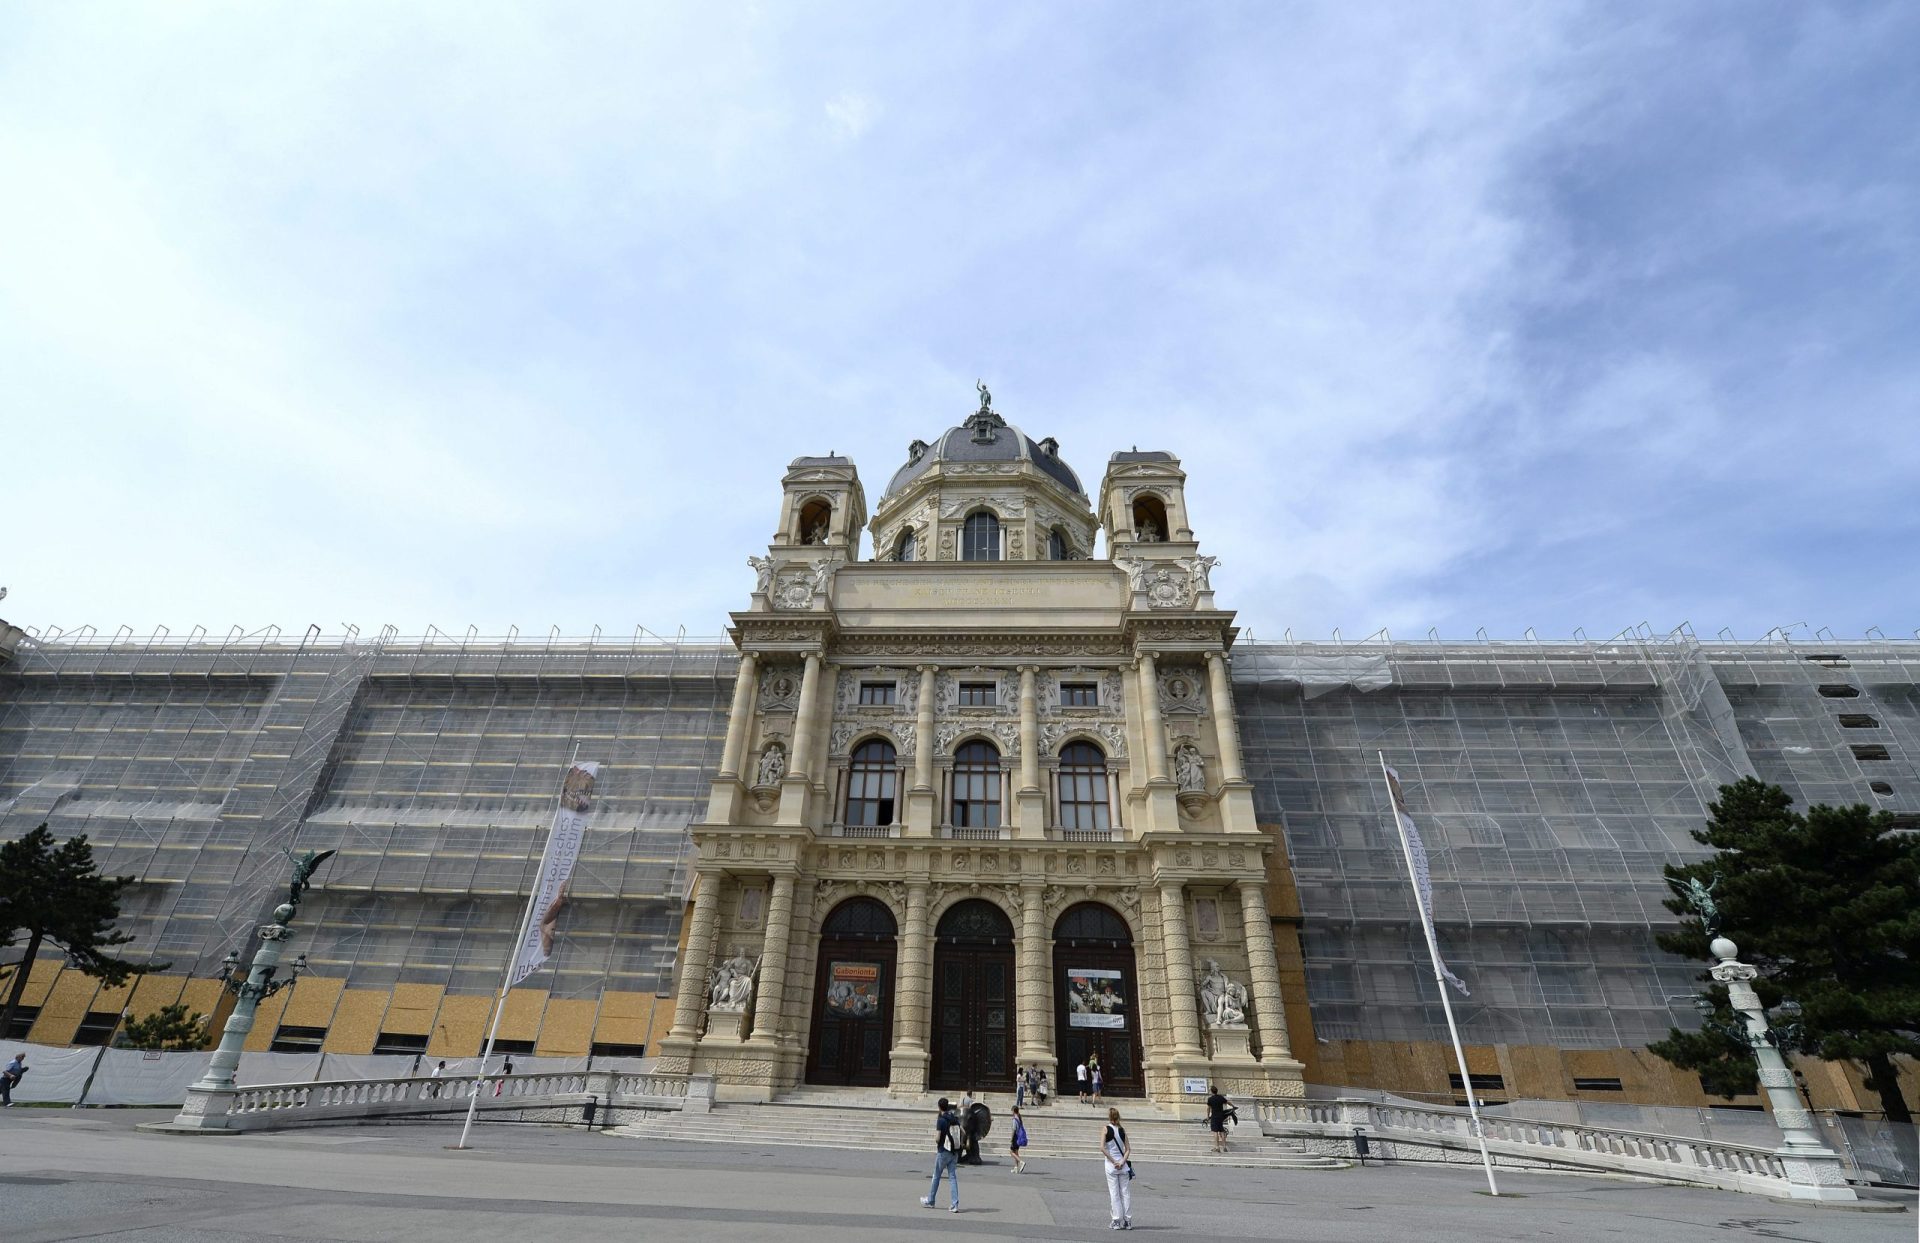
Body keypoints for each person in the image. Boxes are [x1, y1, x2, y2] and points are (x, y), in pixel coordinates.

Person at [921, 1097, 962, 1213]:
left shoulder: (941, 1120)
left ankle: (931, 1200)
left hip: (943, 1151)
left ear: (939, 1107)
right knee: (952, 1177)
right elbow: (962, 1130)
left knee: (936, 1176)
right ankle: (955, 1204)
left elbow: (938, 1138)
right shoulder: (954, 1118)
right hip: (954, 1151)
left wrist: (935, 1138)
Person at [1101, 1107, 1133, 1230]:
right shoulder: (1122, 1130)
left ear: (1109, 1117)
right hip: (1123, 1166)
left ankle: (1116, 1220)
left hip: (1111, 1165)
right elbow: (1128, 1149)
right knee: (1125, 1193)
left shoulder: (1105, 1129)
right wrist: (1121, 1162)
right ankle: (1128, 1220)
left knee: (1114, 1193)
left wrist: (1114, 1161)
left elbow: (1102, 1148)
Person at [1206, 1085, 1234, 1153]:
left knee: (1215, 1132)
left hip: (1214, 1117)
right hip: (1221, 1116)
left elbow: (1208, 1108)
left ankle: (1217, 1147)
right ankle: (1224, 1147)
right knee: (1221, 1131)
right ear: (1216, 1091)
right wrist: (1233, 1106)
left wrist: (1207, 1116)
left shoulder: (1210, 1099)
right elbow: (1228, 1102)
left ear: (1211, 1091)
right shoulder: (1221, 1097)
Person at [1009, 1104, 1029, 1174]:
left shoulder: (1015, 1119)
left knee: (1011, 1152)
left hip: (1015, 1137)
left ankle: (1021, 1162)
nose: (1011, 1112)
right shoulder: (1019, 1118)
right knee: (1016, 1152)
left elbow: (1014, 1130)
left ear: (1014, 1111)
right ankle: (1016, 1167)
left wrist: (1011, 1139)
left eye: (1012, 1111)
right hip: (1018, 1137)